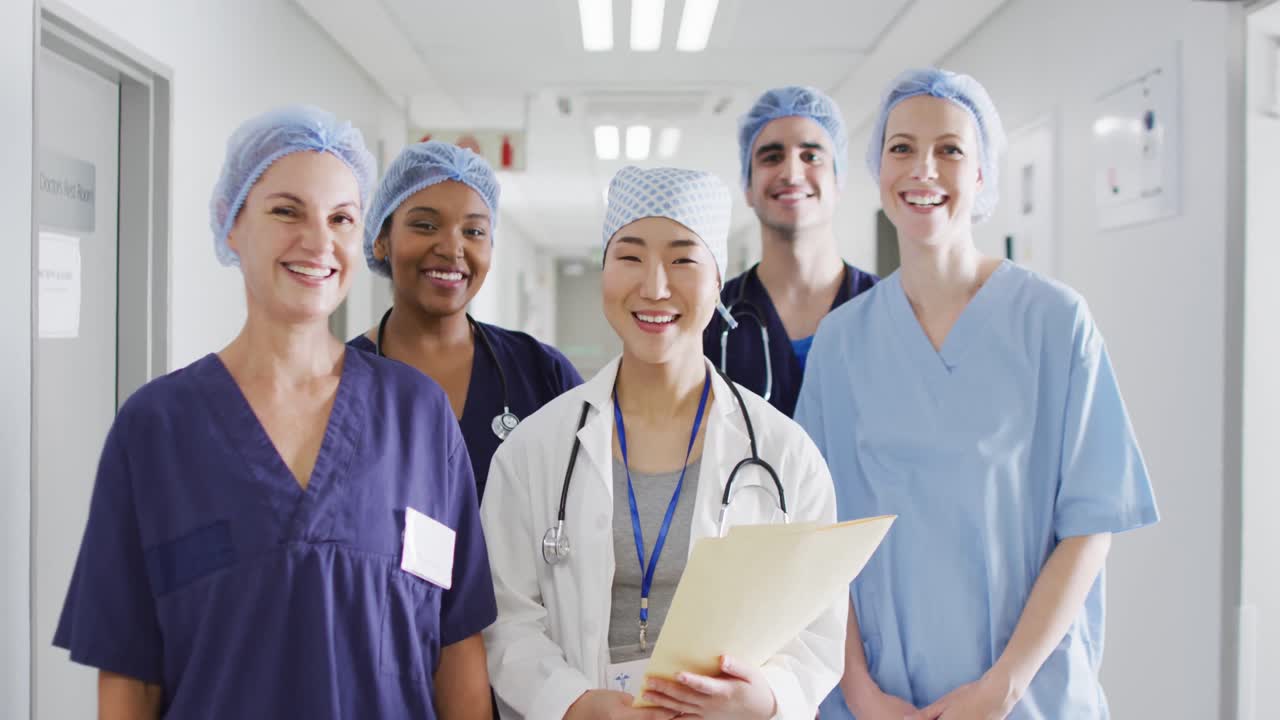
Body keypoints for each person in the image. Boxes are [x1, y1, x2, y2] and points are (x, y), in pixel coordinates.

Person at [53, 106, 496, 718]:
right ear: (232, 224)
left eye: (341, 218)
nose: (318, 241)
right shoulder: (157, 428)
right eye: (287, 211)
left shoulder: (418, 417)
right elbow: (130, 678)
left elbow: (459, 648)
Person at [795, 69, 1160, 719]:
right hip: (878, 703)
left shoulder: (1054, 323)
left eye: (951, 150)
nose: (923, 168)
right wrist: (856, 690)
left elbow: (1091, 524)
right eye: (901, 147)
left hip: (1028, 699)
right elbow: (816, 535)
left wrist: (1005, 687)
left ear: (985, 172)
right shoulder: (843, 341)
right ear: (877, 170)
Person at [480, 166, 845, 720]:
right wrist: (573, 703)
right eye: (629, 256)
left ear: (718, 280)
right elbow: (506, 618)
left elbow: (817, 631)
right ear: (604, 270)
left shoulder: (785, 454)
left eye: (682, 259)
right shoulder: (535, 450)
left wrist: (766, 699)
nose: (654, 286)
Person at [350, 141, 582, 499]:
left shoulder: (542, 372)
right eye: (425, 225)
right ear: (381, 240)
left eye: (473, 231)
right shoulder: (338, 381)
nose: (451, 248)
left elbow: (593, 499)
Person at [705, 85, 878, 417]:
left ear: (838, 179)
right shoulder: (712, 317)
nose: (791, 173)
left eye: (811, 156)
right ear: (748, 186)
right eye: (771, 157)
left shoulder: (888, 310)